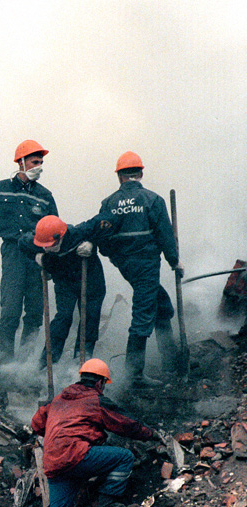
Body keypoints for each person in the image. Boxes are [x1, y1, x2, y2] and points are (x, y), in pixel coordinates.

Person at [15, 359, 161, 507]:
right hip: (77, 455)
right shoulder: (95, 401)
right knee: (124, 457)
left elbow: (37, 424)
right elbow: (125, 424)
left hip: (54, 462)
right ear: (101, 382)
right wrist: (151, 434)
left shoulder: (58, 400)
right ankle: (108, 505)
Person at [93, 151, 183, 386]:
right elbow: (165, 236)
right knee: (144, 313)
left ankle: (171, 361)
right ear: (140, 173)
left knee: (161, 305)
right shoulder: (153, 199)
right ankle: (133, 374)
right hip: (147, 264)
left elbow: (102, 237)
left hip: (127, 265)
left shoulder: (109, 203)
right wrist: (174, 261)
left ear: (120, 176)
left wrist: (115, 257)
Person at [0, 140, 59, 365]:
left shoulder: (45, 195)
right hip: (12, 253)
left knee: (35, 313)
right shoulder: (0, 189)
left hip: (38, 257)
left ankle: (24, 366)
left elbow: (57, 230)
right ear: (21, 162)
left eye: (41, 162)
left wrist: (52, 261)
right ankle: (6, 366)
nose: (39, 166)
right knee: (10, 311)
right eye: (34, 162)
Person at [20, 215, 107, 364]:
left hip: (91, 280)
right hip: (64, 281)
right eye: (44, 245)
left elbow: (105, 224)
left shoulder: (79, 232)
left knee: (89, 318)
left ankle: (81, 361)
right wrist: (38, 257)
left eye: (50, 245)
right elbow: (22, 244)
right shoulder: (36, 240)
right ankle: (47, 362)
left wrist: (92, 243)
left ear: (61, 236)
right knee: (63, 318)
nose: (46, 248)